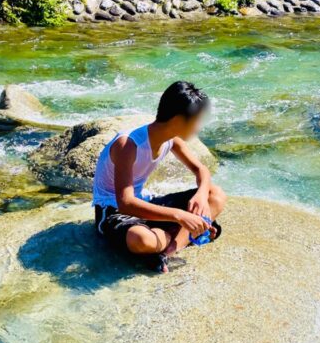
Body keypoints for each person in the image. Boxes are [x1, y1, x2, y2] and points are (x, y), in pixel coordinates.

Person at [92, 81, 227, 273]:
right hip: (113, 210)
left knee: (216, 195)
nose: (198, 127)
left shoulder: (171, 140)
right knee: (141, 240)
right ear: (179, 120)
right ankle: (183, 232)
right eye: (196, 120)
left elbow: (201, 170)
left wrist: (201, 194)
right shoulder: (128, 145)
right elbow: (126, 204)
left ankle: (169, 249)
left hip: (145, 203)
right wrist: (180, 216)